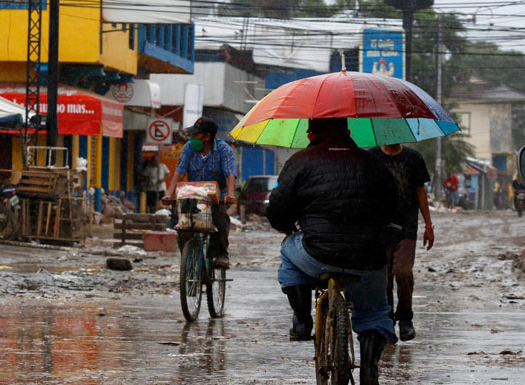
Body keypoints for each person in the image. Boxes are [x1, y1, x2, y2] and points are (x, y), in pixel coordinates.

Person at [267, 118, 399, 385]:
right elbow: (394, 210)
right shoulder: (373, 162)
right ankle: (370, 371)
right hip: (368, 257)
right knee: (374, 312)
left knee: (288, 253)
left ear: (310, 133)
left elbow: (279, 209)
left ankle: (302, 321)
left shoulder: (300, 161)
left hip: (317, 254)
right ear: (348, 132)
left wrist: (286, 228)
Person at [369, 143, 434, 343]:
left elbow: (420, 192)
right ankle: (387, 321)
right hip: (379, 227)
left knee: (402, 272)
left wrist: (428, 225)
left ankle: (405, 318)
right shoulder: (371, 157)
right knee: (384, 276)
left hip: (407, 226)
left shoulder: (413, 158)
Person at [163, 117, 237, 269]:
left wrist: (230, 194)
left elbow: (230, 174)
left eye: (195, 135)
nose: (191, 138)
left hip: (216, 196)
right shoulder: (188, 148)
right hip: (192, 194)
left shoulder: (223, 150)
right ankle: (188, 257)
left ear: (206, 137)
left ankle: (220, 254)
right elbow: (179, 173)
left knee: (220, 217)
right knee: (182, 224)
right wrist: (169, 194)